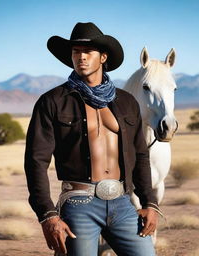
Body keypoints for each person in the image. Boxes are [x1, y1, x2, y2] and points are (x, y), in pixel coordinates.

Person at [24, 22, 161, 256]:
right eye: (76, 52)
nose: (81, 57)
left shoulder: (127, 102)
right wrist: (48, 215)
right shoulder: (54, 101)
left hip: (122, 202)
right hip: (78, 204)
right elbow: (36, 161)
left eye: (87, 52)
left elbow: (140, 154)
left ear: (103, 57)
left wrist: (150, 203)